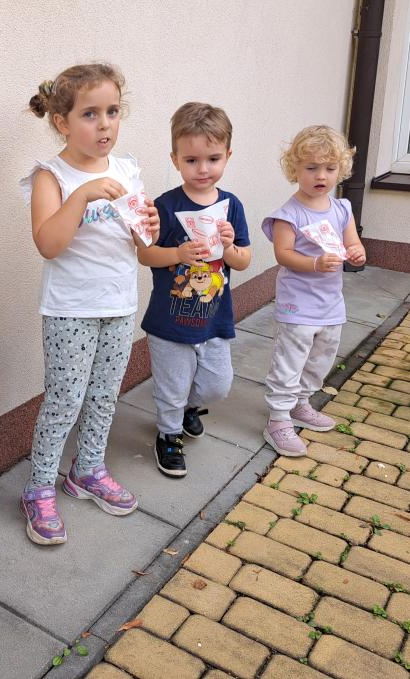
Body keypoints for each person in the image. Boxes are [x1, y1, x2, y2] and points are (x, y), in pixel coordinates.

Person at [19, 63, 160, 545]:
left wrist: (152, 232)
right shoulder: (51, 176)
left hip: (119, 304)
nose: (104, 125)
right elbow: (48, 244)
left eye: (113, 112)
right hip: (70, 309)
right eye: (90, 114)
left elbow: (143, 249)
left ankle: (88, 469)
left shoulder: (127, 170)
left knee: (104, 396)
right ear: (62, 121)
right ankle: (39, 487)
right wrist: (80, 195)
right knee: (64, 400)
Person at [136, 102, 252, 478]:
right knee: (172, 386)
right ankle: (169, 434)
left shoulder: (232, 206)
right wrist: (177, 253)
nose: (203, 169)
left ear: (228, 156)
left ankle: (187, 409)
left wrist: (229, 246)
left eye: (213, 159)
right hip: (170, 320)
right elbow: (145, 255)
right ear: (175, 160)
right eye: (191, 160)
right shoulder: (166, 206)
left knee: (217, 385)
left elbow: (243, 261)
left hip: (214, 318)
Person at [262, 125, 366, 456]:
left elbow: (352, 242)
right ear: (295, 169)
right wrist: (315, 263)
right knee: (289, 361)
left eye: (330, 168)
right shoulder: (289, 214)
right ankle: (278, 419)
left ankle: (300, 403)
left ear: (341, 169)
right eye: (311, 168)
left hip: (330, 304)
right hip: (297, 304)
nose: (321, 175)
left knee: (320, 359)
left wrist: (357, 253)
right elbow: (283, 255)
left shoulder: (342, 209)